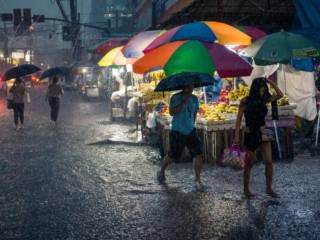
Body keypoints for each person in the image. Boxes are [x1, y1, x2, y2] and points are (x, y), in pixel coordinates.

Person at [235, 77, 283, 198]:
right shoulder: (245, 101)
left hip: (263, 131)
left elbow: (280, 95)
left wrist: (271, 82)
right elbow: (239, 119)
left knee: (269, 162)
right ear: (255, 89)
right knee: (249, 163)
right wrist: (236, 136)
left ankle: (268, 188)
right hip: (250, 133)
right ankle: (246, 189)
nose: (262, 92)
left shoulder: (264, 99)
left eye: (264, 89)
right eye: (261, 89)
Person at [157, 84, 203, 189]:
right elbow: (172, 112)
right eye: (190, 86)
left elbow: (194, 113)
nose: (192, 88)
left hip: (191, 130)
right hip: (178, 130)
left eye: (193, 86)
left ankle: (197, 179)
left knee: (198, 154)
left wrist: (192, 124)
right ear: (185, 86)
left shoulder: (195, 98)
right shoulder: (175, 97)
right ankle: (162, 171)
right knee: (172, 155)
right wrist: (183, 102)